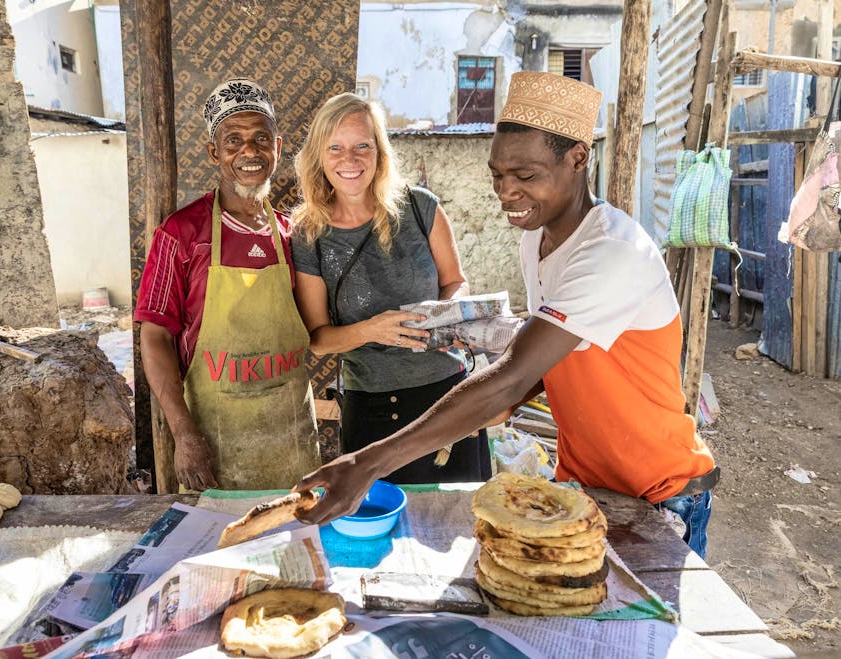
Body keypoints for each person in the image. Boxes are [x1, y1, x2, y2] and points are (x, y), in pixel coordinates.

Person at [294, 72, 718, 558]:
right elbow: (552, 359)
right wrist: (509, 395)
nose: (506, 192)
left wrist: (366, 465)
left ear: (578, 159)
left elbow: (512, 376)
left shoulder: (610, 252)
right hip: (586, 483)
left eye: (526, 175)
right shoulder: (536, 240)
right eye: (498, 174)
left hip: (657, 490)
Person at [290, 92, 491, 484]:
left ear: (379, 151)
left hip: (447, 399)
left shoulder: (420, 208)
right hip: (372, 411)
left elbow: (456, 281)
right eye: (336, 148)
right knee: (382, 533)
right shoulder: (309, 234)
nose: (350, 160)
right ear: (318, 156)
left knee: (457, 526)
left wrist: (449, 315)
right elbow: (318, 339)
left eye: (362, 145)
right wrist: (372, 330)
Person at [134, 78, 320, 491]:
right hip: (216, 446)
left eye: (260, 138)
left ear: (277, 145)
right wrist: (183, 433)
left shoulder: (294, 234)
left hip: (292, 443)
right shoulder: (180, 234)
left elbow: (317, 329)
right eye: (233, 140)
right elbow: (155, 338)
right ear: (213, 152)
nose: (249, 151)